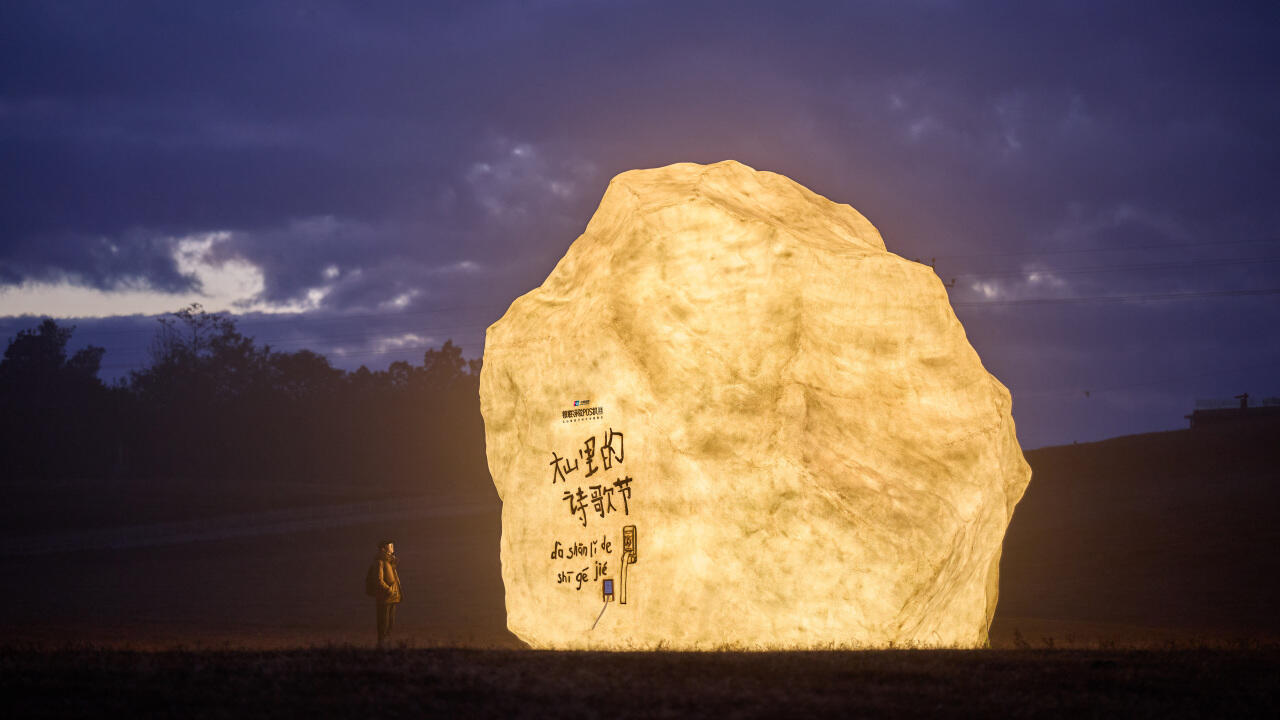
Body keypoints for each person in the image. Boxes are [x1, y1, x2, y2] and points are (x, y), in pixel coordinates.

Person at [371, 539, 403, 648]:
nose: (393, 547)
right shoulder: (380, 562)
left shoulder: (389, 561)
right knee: (383, 623)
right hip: (385, 598)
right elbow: (378, 580)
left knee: (390, 623)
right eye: (391, 545)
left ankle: (387, 644)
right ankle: (382, 644)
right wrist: (388, 590)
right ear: (384, 548)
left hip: (392, 597)